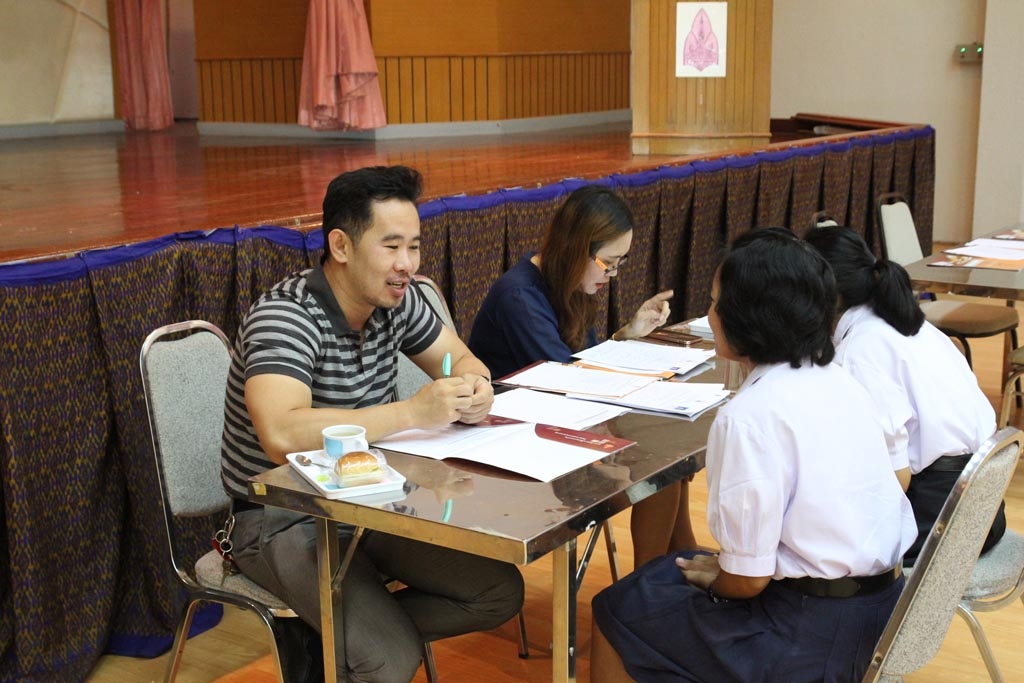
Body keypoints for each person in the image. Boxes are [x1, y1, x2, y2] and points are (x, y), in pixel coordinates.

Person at [221, 165, 524, 683]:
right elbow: (282, 435)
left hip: (372, 502)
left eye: (415, 246)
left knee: (498, 592)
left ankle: (329, 646)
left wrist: (475, 387)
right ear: (341, 246)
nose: (407, 264)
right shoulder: (285, 316)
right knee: (389, 661)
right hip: (284, 516)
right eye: (391, 246)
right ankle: (364, 648)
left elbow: (460, 360)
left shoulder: (396, 302)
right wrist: (412, 413)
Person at [590, 228, 916, 683]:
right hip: (881, 611)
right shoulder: (842, 379)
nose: (710, 314)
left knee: (615, 609)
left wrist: (721, 578)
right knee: (669, 574)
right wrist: (729, 569)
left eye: (714, 303)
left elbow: (747, 582)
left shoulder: (749, 416)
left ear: (746, 319)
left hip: (808, 637)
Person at [468, 185, 697, 567]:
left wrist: (625, 335)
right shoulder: (519, 296)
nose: (614, 274)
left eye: (620, 263)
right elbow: (568, 380)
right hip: (514, 436)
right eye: (609, 263)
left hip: (560, 419)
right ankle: (649, 580)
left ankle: (676, 564)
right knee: (660, 463)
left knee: (671, 457)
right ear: (577, 249)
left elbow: (581, 366)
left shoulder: (569, 284)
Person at [805, 225, 1005, 566]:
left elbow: (896, 480)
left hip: (941, 521)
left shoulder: (860, 351)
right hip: (984, 507)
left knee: (804, 548)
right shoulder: (911, 324)